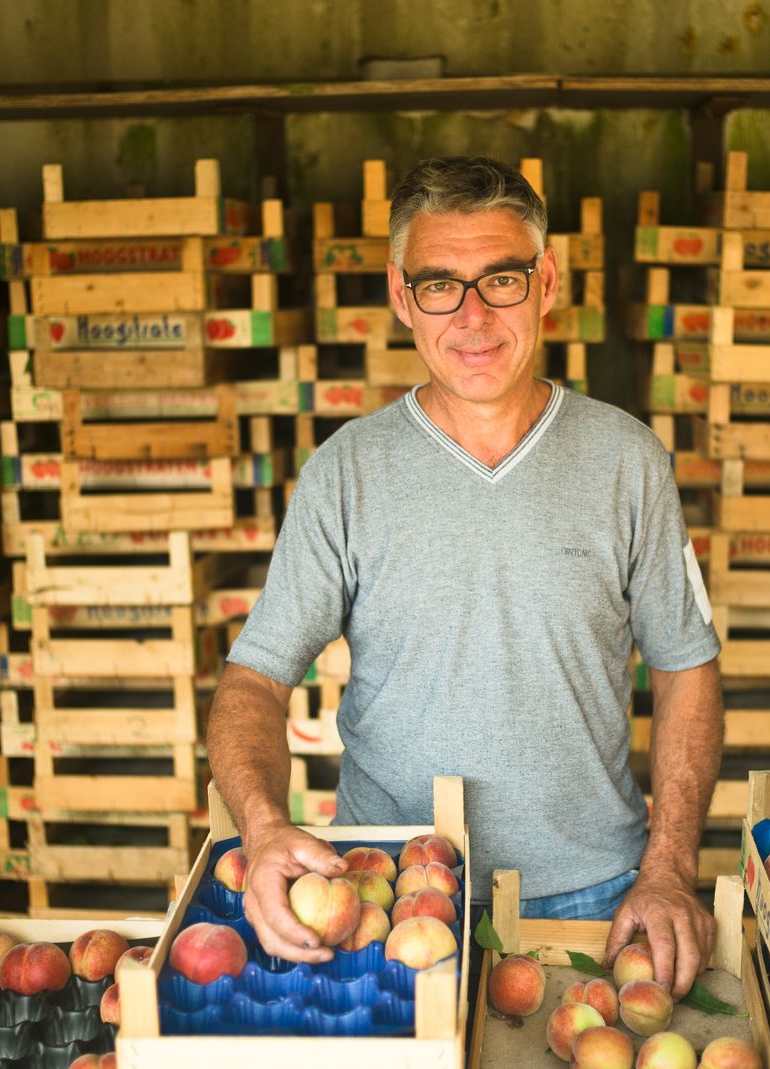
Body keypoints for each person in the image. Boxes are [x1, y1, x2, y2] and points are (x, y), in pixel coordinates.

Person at [208, 155, 724, 996]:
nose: (474, 315)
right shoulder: (347, 474)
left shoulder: (629, 462)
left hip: (594, 896)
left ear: (547, 280)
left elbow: (685, 669)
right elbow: (253, 680)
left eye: (503, 279)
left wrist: (668, 864)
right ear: (403, 295)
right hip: (387, 894)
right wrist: (263, 829)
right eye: (442, 284)